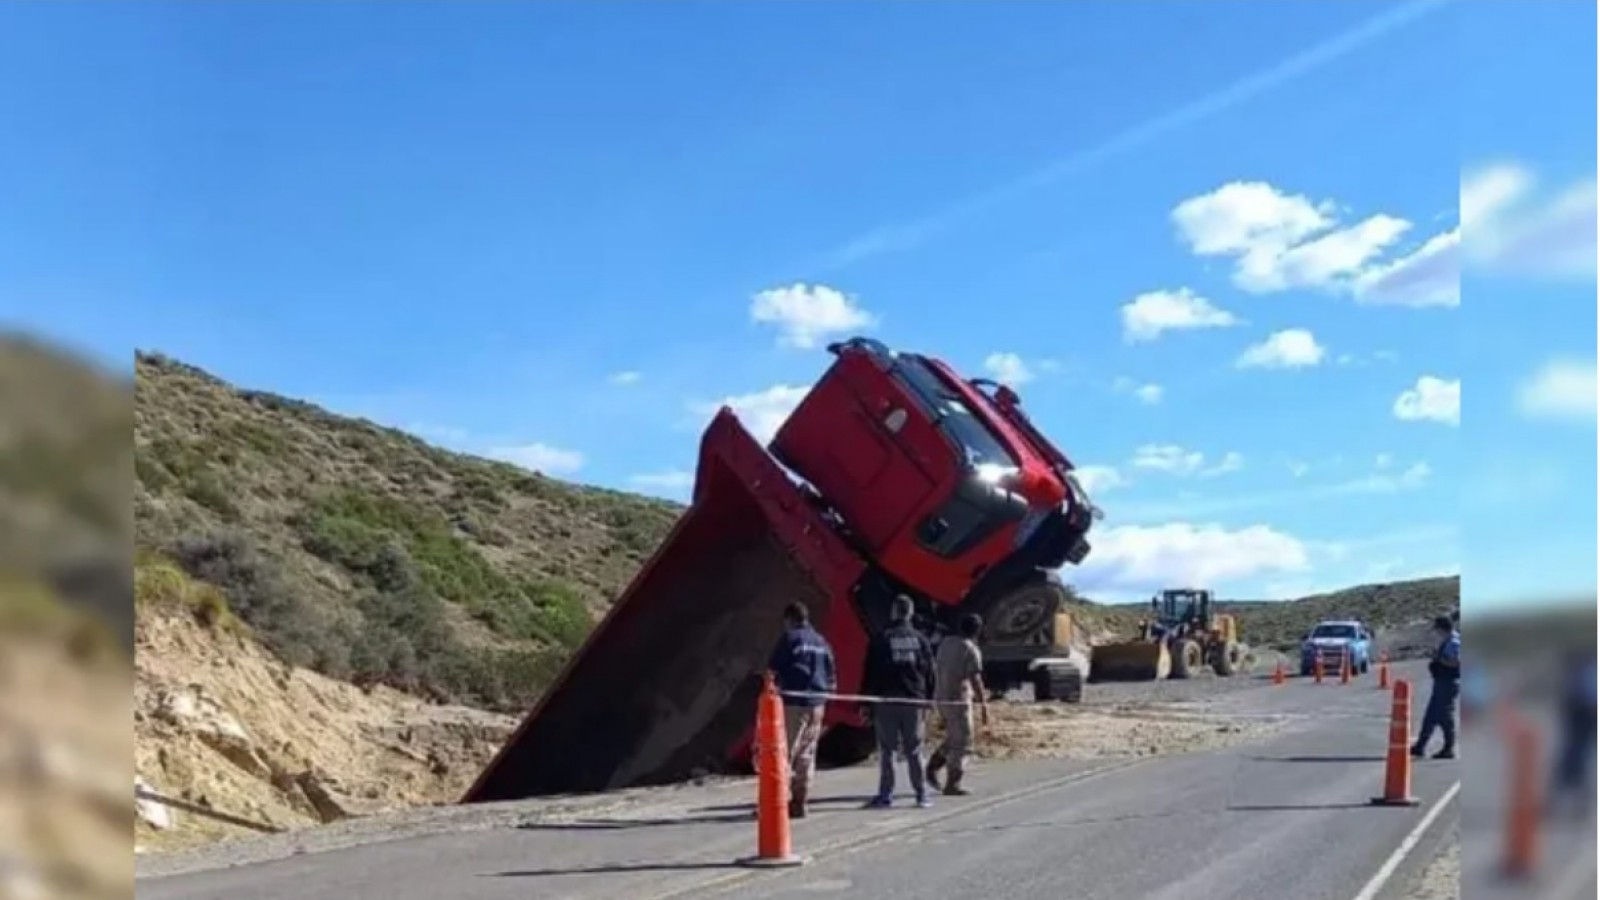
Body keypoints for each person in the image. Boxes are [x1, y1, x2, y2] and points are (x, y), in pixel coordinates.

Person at [863, 595, 937, 809]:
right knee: (914, 749)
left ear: (894, 612)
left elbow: (871, 672)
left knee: (888, 750)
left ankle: (886, 795)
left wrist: (866, 701)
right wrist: (929, 699)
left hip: (886, 700)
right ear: (910, 613)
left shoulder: (881, 639)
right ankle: (921, 794)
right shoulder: (921, 640)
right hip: (914, 701)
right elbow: (931, 672)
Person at [767, 601, 836, 819]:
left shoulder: (791, 639)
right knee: (807, 754)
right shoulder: (821, 641)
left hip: (794, 703)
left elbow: (772, 670)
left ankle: (776, 801)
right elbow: (832, 675)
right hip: (817, 704)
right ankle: (800, 802)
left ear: (790, 619)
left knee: (785, 752)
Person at [926, 613, 990, 796]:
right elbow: (975, 679)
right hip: (958, 699)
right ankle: (952, 782)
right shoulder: (970, 649)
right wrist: (984, 704)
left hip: (941, 696)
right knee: (963, 741)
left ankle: (934, 765)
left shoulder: (945, 644)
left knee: (955, 737)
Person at [1411, 615, 1460, 760]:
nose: (1436, 633)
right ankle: (1420, 746)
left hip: (1448, 682)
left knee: (1444, 716)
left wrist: (1440, 660)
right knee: (1431, 715)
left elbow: (1457, 662)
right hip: (1442, 682)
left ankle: (1449, 748)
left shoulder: (1454, 643)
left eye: (1437, 629)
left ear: (1442, 629)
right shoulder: (1449, 641)